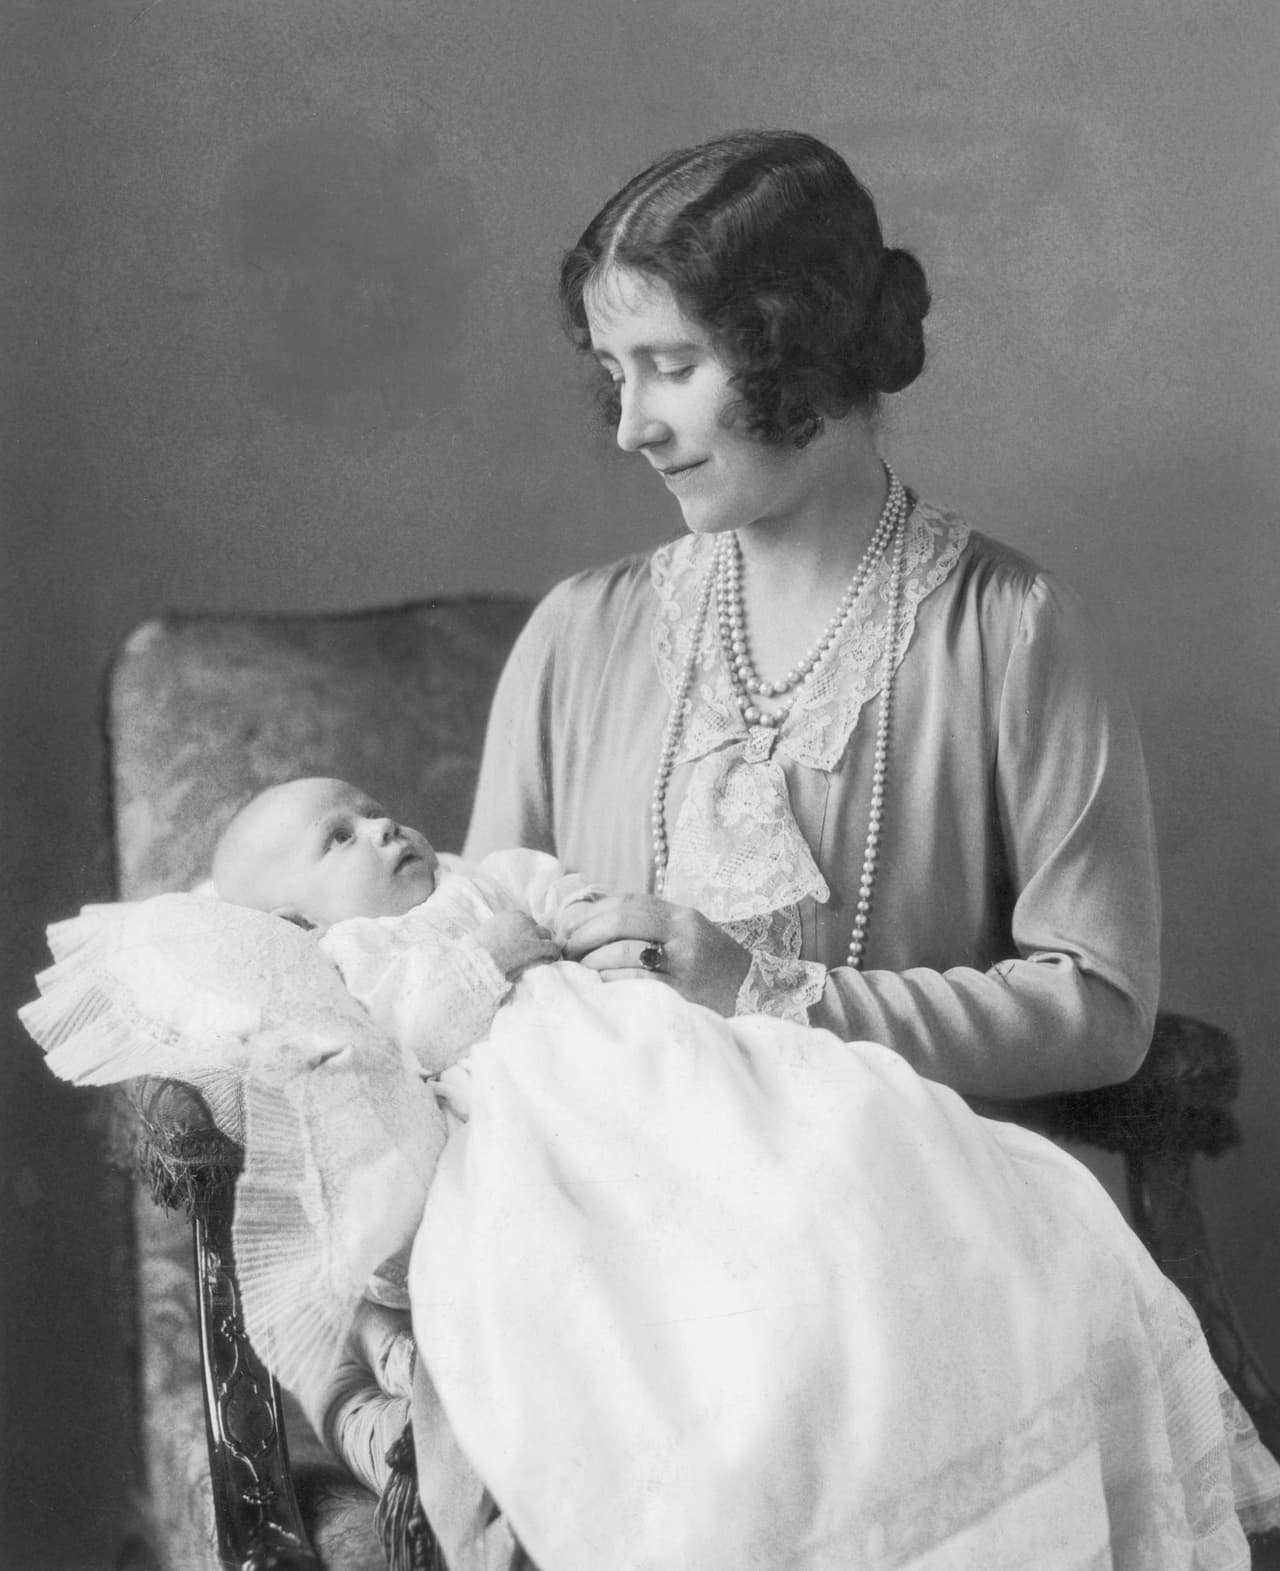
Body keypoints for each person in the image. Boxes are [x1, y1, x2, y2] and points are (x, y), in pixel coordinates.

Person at [466, 128, 1161, 1104]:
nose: (631, 428)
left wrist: (771, 992)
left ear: (795, 348)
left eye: (671, 365)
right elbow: (471, 951)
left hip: (895, 1209)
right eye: (617, 373)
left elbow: (1101, 1006)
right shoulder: (574, 636)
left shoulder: (1013, 632)